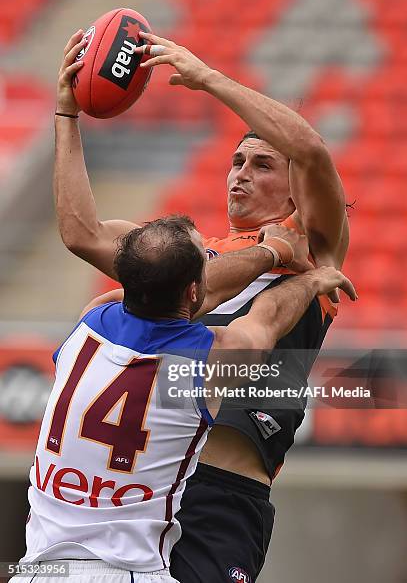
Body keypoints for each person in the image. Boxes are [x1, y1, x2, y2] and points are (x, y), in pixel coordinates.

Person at [54, 29, 351, 582]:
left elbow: (310, 150)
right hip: (145, 484)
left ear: (296, 193)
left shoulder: (311, 247)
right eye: (237, 161)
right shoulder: (182, 258)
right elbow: (82, 232)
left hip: (220, 493)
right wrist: (66, 117)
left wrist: (207, 77)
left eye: (262, 164)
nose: (241, 172)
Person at [13, 216, 356, 583]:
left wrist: (268, 252)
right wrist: (309, 278)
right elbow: (268, 316)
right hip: (127, 572)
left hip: (37, 570)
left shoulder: (88, 323)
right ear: (194, 292)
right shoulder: (211, 360)